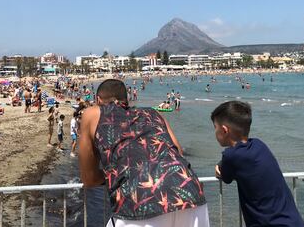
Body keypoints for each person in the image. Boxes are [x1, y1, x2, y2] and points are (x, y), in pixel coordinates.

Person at [79, 79, 209, 227]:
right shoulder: (153, 113)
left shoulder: (92, 112)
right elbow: (178, 152)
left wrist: (115, 173)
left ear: (98, 100)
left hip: (140, 198)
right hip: (189, 191)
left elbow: (88, 178)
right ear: (127, 98)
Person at [211, 101, 304, 227]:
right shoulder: (259, 145)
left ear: (224, 130)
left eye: (215, 127)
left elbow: (225, 176)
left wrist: (219, 167)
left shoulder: (231, 156)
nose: (215, 133)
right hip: (293, 221)